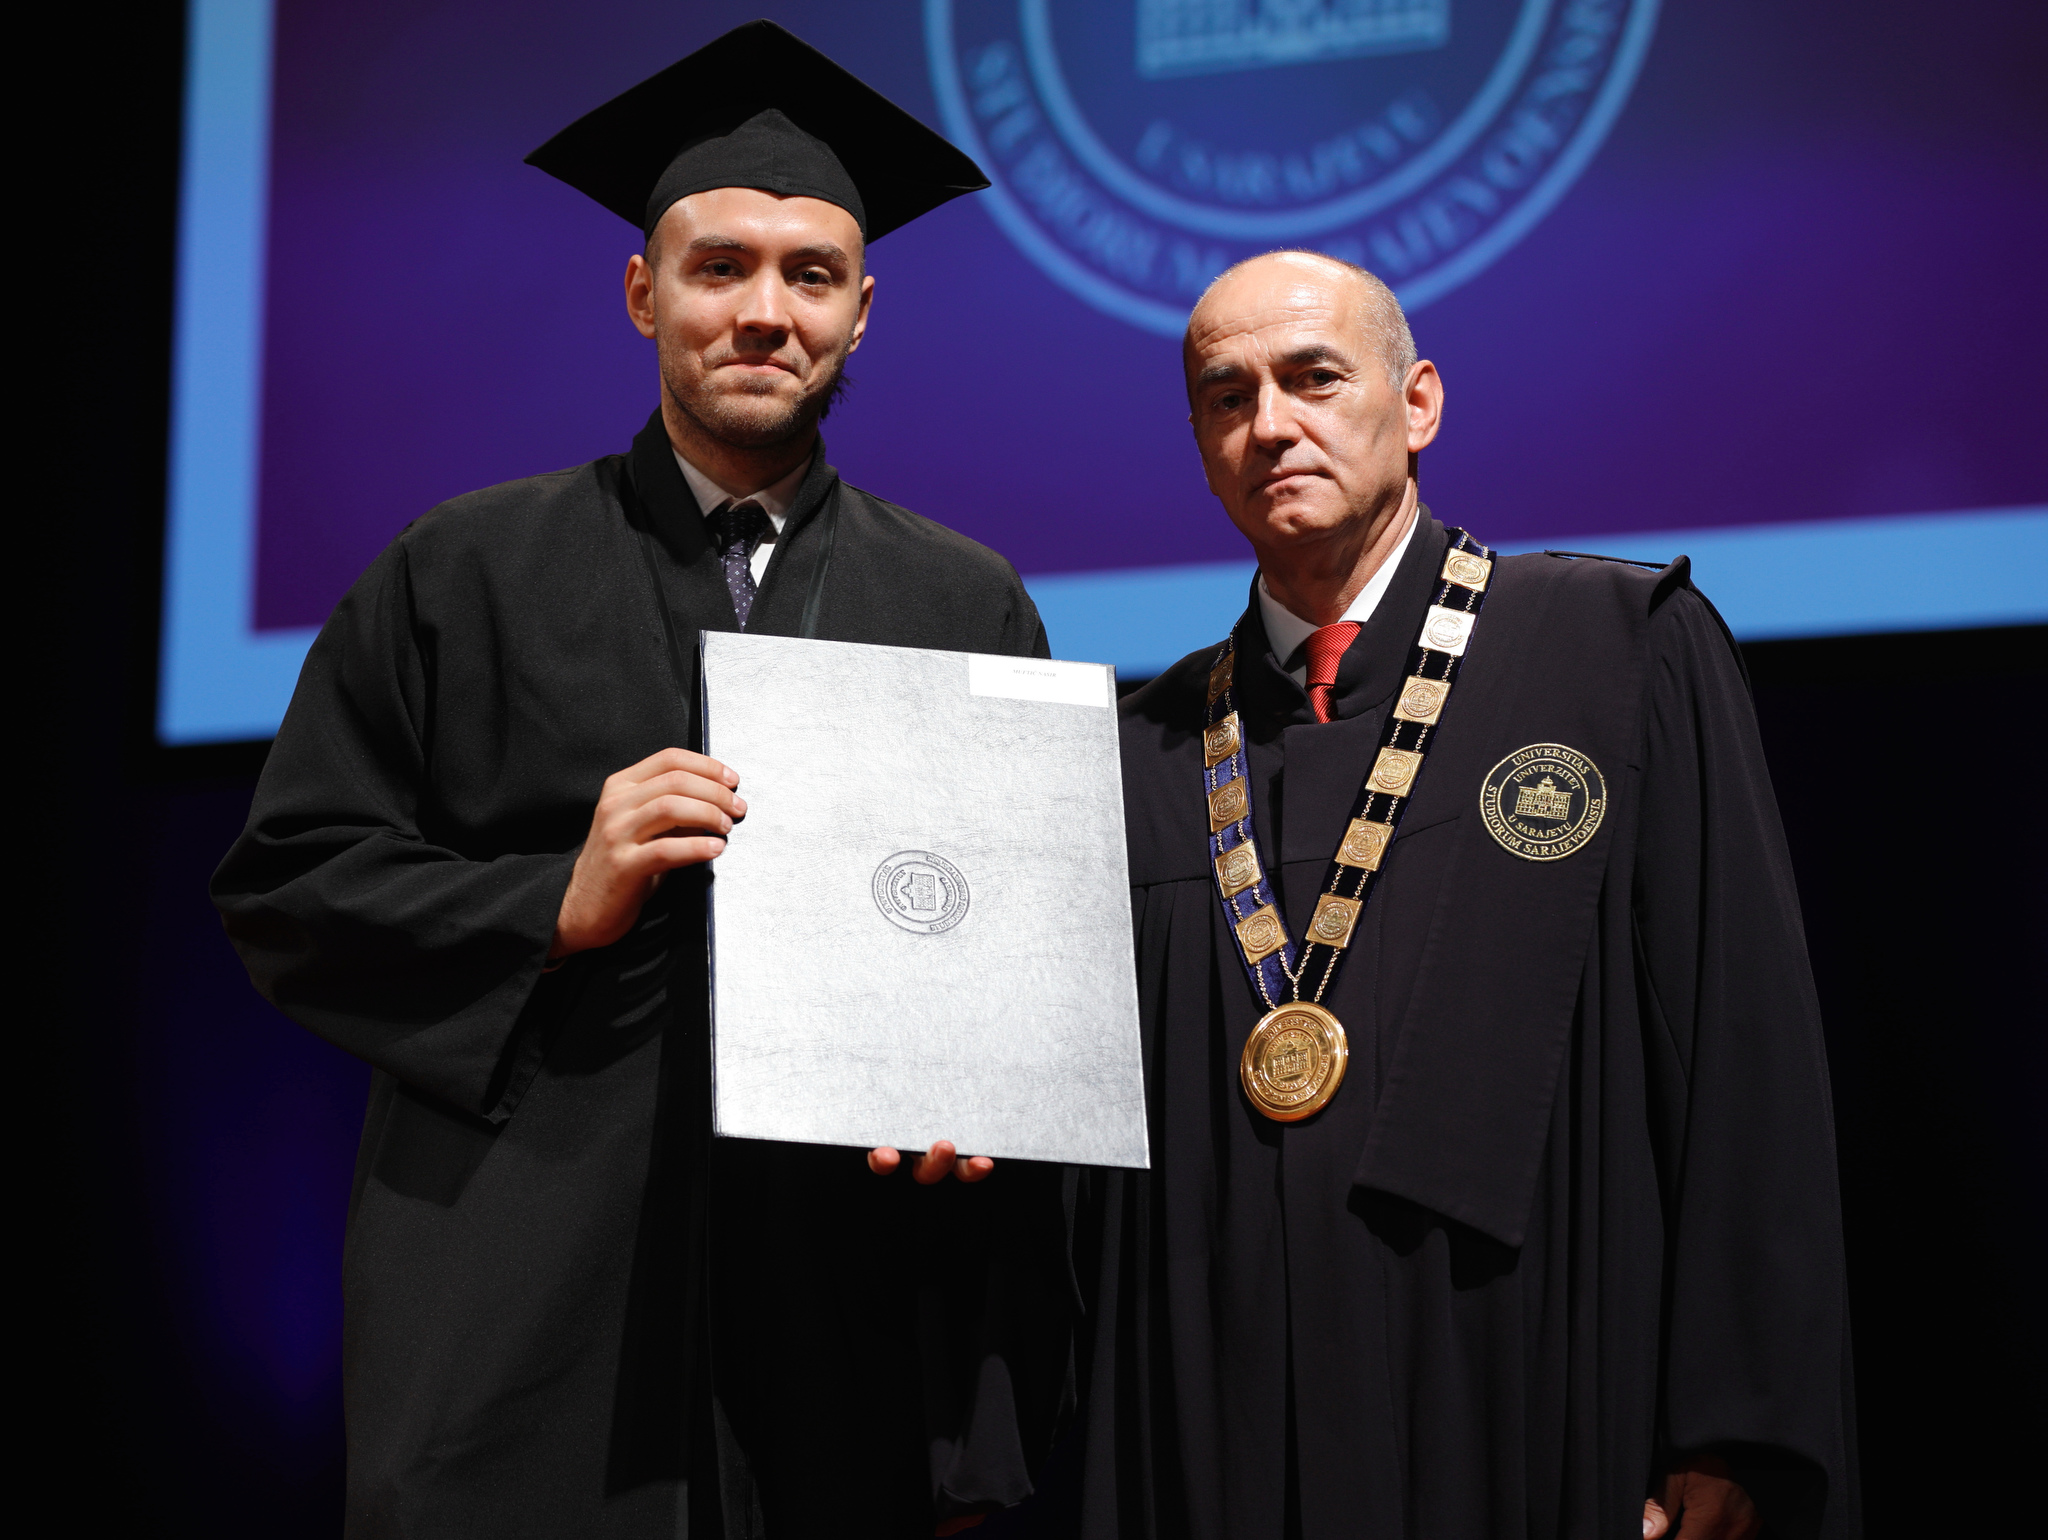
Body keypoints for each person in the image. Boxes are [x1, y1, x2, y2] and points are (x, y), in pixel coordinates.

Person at [212, 22, 1071, 1539]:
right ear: (642, 294)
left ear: (863, 313)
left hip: (841, 1318)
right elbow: (289, 888)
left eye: (811, 276)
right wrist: (557, 900)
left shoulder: (963, 602)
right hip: (526, 1299)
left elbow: (1015, 954)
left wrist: (979, 1094)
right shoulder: (463, 571)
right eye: (718, 268)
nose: (765, 312)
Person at [1078, 251, 1857, 1539]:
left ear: (1419, 403)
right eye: (1227, 396)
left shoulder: (1611, 651)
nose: (1270, 424)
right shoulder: (1144, 748)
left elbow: (1743, 1053)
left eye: (1314, 378)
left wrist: (1737, 1420)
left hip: (1535, 1397)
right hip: (1225, 1415)